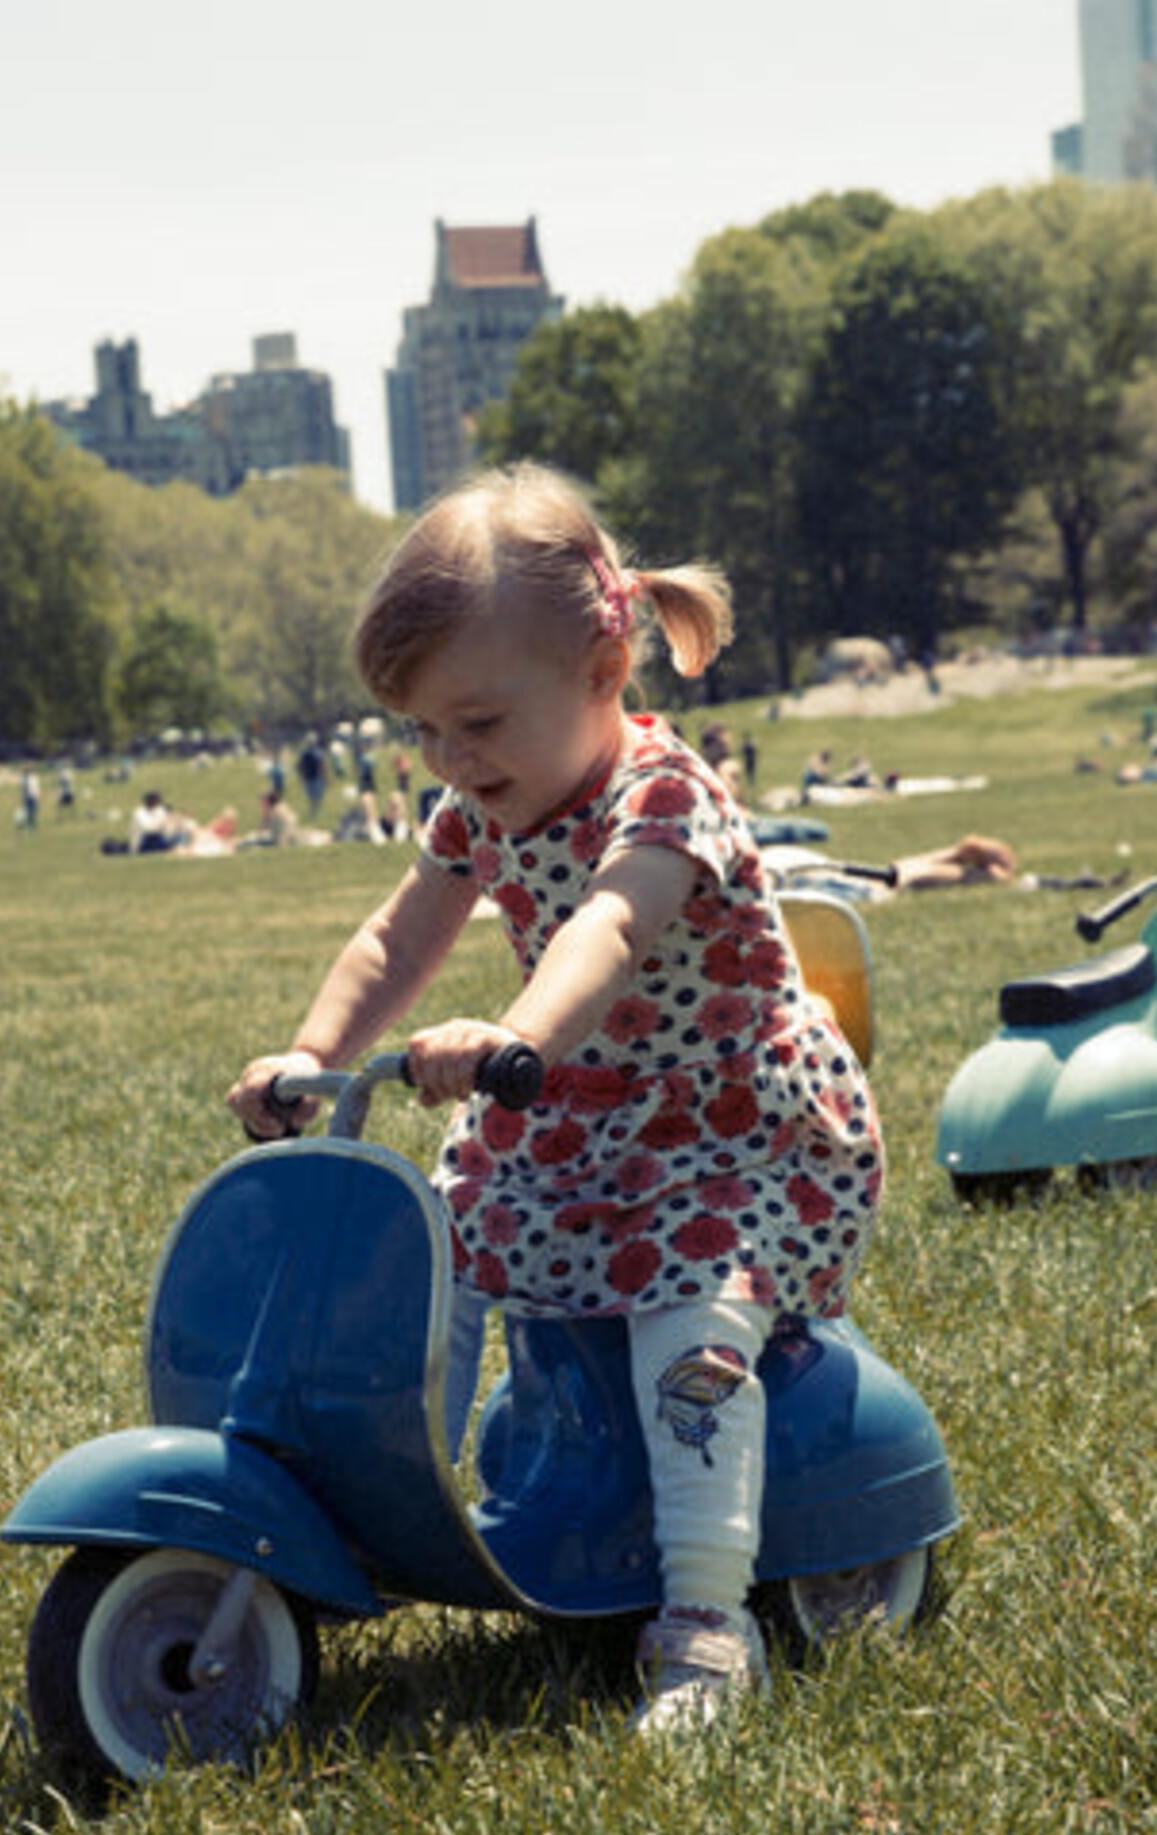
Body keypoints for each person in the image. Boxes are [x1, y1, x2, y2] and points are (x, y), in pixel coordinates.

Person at [227, 463, 883, 1735]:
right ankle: (381, 1511)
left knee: (687, 1332)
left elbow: (609, 928)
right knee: (420, 1261)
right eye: (423, 732)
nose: (451, 760)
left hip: (725, 1132)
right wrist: (310, 1055)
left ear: (604, 662)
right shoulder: (478, 804)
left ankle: (704, 1620)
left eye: (475, 723)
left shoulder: (665, 793)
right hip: (570, 1116)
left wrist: (515, 1031)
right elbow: (393, 940)